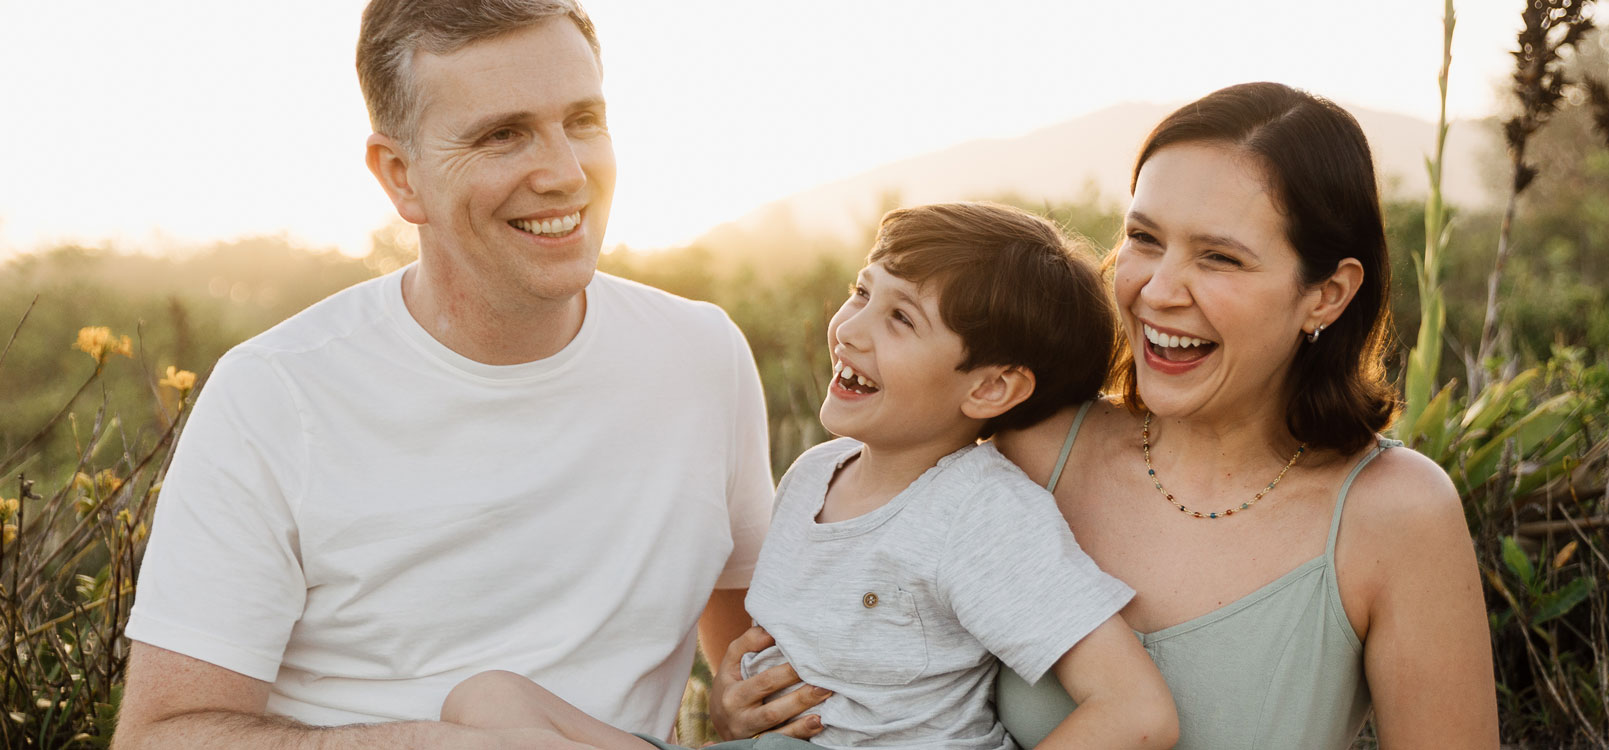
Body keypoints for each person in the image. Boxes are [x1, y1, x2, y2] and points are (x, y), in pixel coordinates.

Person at [712, 83, 1500, 748]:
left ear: (1326, 294)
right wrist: (746, 701)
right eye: (1144, 239)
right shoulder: (1024, 447)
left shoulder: (1395, 515)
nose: (1159, 289)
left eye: (1219, 257)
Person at [112, 2, 773, 748]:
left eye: (583, 120)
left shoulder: (701, 356)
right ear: (401, 177)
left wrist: (739, 710)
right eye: (503, 134)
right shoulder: (273, 396)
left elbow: (758, 657)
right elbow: (159, 738)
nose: (564, 173)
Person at [437, 203, 1179, 750]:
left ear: (989, 390)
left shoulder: (978, 512)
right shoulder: (817, 472)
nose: (851, 329)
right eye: (864, 292)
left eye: (901, 320)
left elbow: (1136, 714)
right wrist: (730, 710)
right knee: (483, 701)